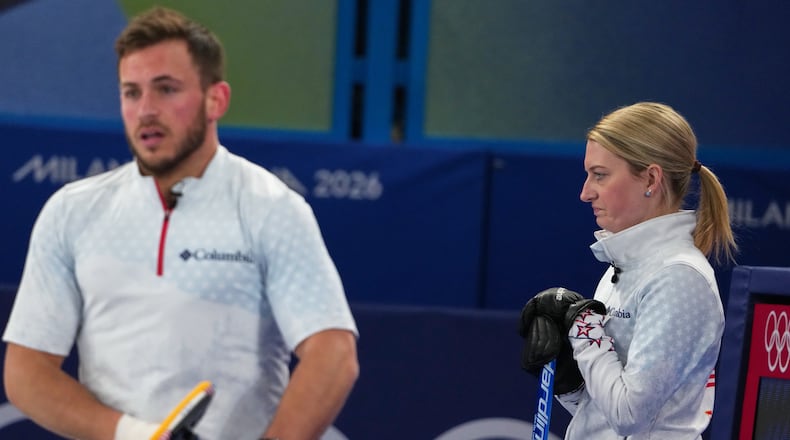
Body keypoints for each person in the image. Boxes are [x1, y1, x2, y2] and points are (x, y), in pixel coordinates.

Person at [2, 6, 359, 440]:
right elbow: (26, 371)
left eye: (166, 89)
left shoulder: (271, 208)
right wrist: (136, 434)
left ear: (216, 100)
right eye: (131, 93)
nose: (146, 110)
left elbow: (332, 354)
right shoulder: (71, 212)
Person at [519, 102, 736, 439]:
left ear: (650, 178)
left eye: (600, 175)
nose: (585, 192)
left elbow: (629, 416)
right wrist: (570, 384)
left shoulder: (678, 278)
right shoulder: (626, 266)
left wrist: (582, 327)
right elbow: (607, 417)